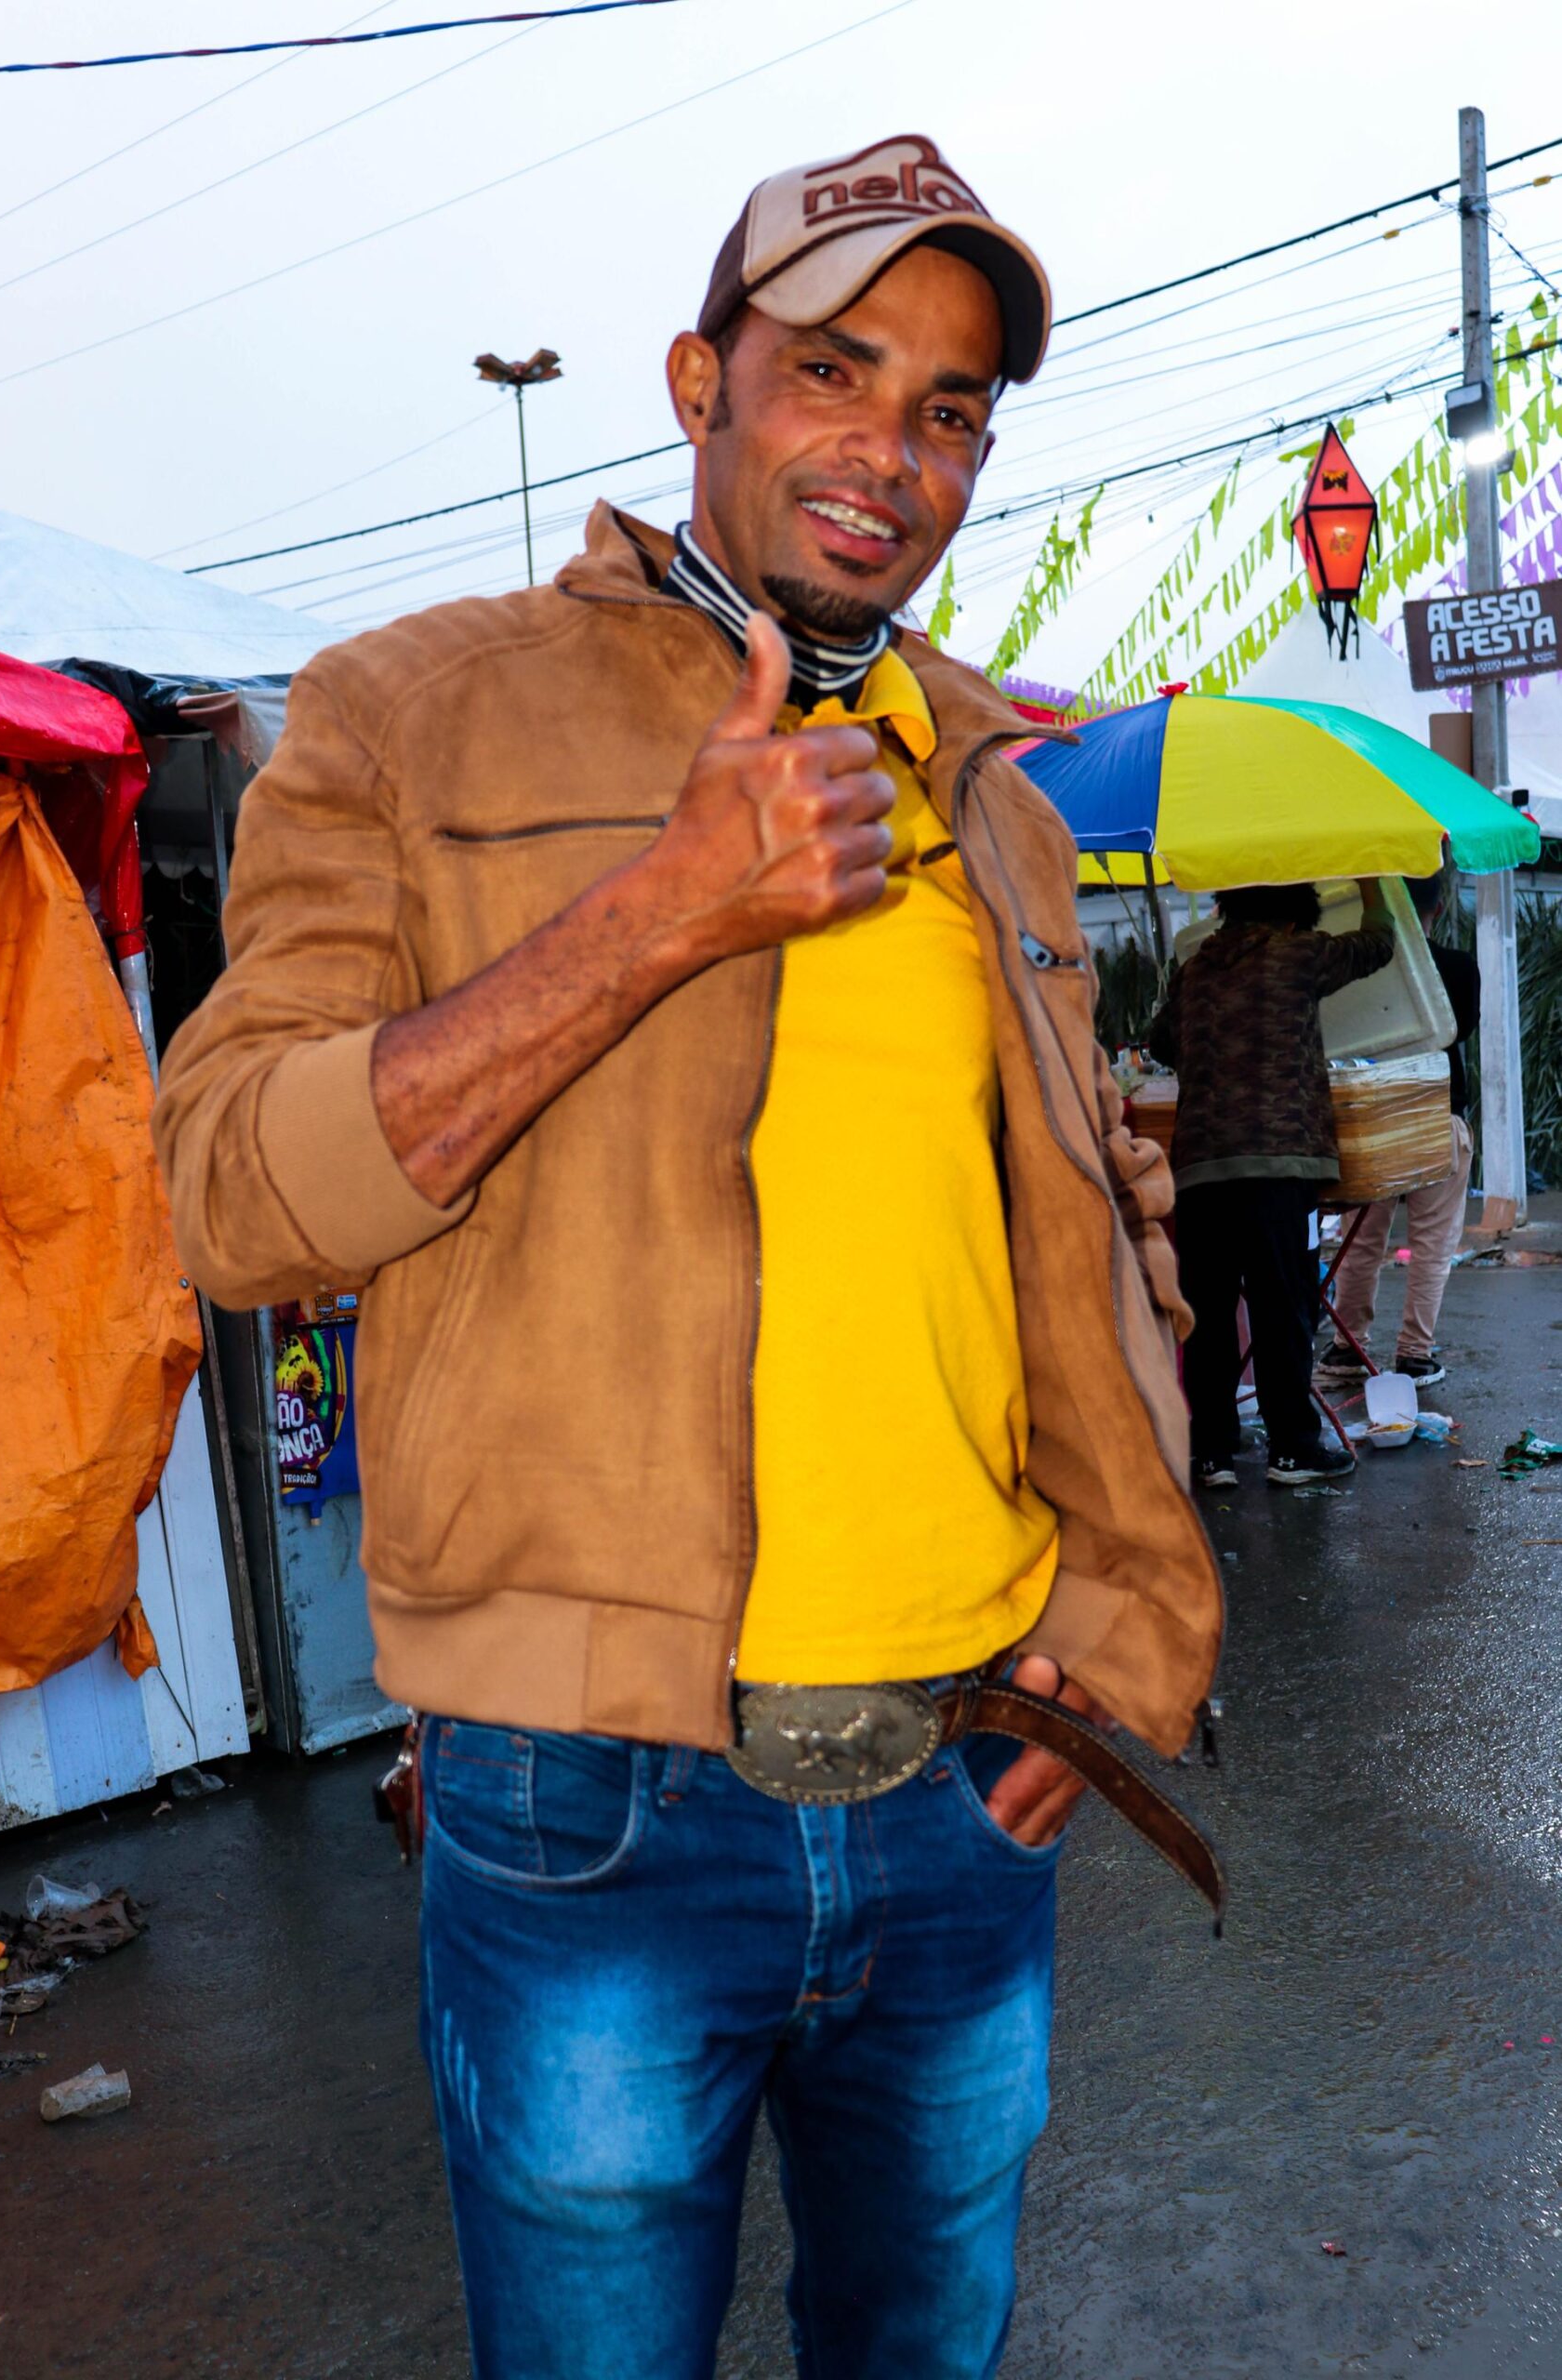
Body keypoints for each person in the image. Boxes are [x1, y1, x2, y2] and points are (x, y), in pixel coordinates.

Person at [152, 135, 1223, 2380]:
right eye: (832, 368)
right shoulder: (407, 710)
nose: (891, 448)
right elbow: (234, 1193)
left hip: (970, 1770)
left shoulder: (993, 788)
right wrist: (658, 911)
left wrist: (1130, 1612)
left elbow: (1084, 1236)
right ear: (692, 382)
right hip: (590, 1799)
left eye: (946, 406)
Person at [1148, 879, 1395, 1491]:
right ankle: (1292, 1449)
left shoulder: (1195, 970)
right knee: (1283, 1304)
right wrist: (1371, 882)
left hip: (1201, 1168)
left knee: (1208, 1312)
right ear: (1294, 912)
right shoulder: (1298, 953)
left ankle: (1210, 1453)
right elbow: (1377, 944)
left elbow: (1160, 1041)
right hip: (1280, 1166)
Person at [1317, 867, 1479, 1388]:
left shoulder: (1357, 967)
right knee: (1432, 1242)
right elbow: (1460, 1029)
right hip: (1437, 1110)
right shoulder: (1458, 967)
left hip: (1369, 1115)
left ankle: (1347, 1349)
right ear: (1438, 906)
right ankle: (1414, 1355)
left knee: (1361, 1237)